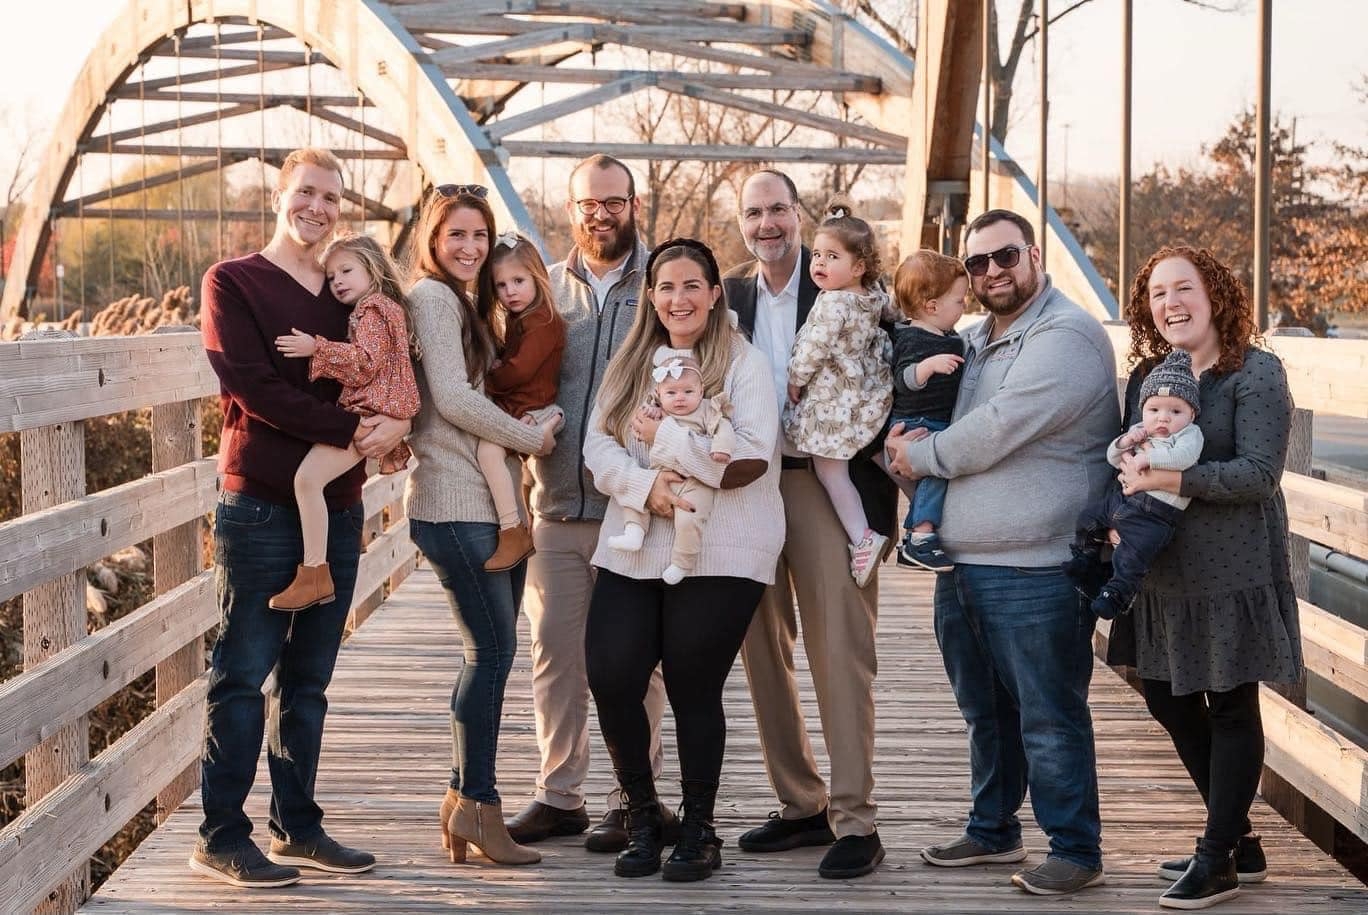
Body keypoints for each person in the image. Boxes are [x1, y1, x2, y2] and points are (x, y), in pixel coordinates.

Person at [192, 147, 409, 888]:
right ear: (281, 195)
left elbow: (389, 367)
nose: (317, 206)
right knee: (243, 671)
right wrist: (357, 433)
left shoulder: (351, 292)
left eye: (331, 197)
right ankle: (221, 832)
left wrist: (396, 427)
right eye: (306, 191)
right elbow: (252, 388)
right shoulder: (233, 281)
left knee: (310, 678)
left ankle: (298, 824)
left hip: (337, 507)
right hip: (258, 502)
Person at [887, 208, 1118, 895]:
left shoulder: (1066, 336)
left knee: (1048, 712)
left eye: (1005, 256)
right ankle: (993, 828)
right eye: (978, 263)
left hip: (1038, 566)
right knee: (985, 711)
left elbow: (994, 429)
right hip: (963, 562)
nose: (991, 272)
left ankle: (1075, 848)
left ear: (1034, 254)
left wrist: (919, 455)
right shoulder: (977, 337)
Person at [1104, 245, 1301, 910]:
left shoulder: (1256, 374)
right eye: (1158, 294)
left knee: (1233, 705)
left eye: (1182, 288)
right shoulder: (1147, 376)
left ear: (1214, 294)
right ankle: (1239, 840)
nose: (1170, 304)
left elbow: (1258, 473)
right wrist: (1120, 507)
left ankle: (1216, 857)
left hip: (1232, 570)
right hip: (1161, 572)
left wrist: (1173, 478)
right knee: (1163, 696)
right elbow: (1131, 451)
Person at [583, 238, 783, 882]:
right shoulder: (632, 360)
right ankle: (644, 817)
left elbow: (748, 459)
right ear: (651, 295)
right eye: (666, 287)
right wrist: (648, 488)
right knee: (612, 673)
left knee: (695, 680)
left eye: (692, 285)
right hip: (637, 536)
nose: (679, 299)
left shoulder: (743, 364)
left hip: (724, 542)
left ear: (715, 292)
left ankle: (700, 829)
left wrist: (667, 441)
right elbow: (600, 442)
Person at [725, 168, 896, 880]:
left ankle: (856, 817)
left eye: (778, 209)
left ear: (797, 215)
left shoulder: (844, 288)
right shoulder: (725, 292)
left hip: (823, 481)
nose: (768, 223)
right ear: (741, 221)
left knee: (839, 647)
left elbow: (900, 352)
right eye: (753, 212)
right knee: (761, 649)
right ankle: (801, 802)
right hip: (743, 485)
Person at [507, 155, 674, 852]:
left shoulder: (663, 285)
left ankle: (633, 798)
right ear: (569, 208)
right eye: (586, 203)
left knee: (636, 663)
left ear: (634, 203)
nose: (598, 213)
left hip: (633, 509)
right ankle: (559, 794)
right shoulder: (542, 288)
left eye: (612, 201)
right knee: (554, 656)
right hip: (554, 504)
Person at [404, 183, 562, 867]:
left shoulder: (464, 302)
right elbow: (454, 396)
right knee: (493, 655)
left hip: (478, 502)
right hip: (455, 503)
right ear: (432, 241)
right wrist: (528, 439)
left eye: (478, 235)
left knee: (485, 655)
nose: (469, 248)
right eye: (455, 236)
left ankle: (459, 798)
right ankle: (479, 805)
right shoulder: (434, 299)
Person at [269, 233, 420, 612]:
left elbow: (366, 361)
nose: (337, 280)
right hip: (376, 413)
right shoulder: (387, 309)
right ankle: (315, 572)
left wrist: (315, 347)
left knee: (306, 481)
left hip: (367, 414)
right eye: (332, 274)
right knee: (312, 481)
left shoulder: (372, 311)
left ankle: (315, 573)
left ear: (372, 268)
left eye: (347, 270)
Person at [782, 197, 894, 587]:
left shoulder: (834, 304)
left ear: (858, 266)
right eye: (817, 255)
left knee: (832, 472)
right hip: (862, 395)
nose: (819, 264)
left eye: (832, 257)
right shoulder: (872, 297)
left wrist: (795, 378)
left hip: (832, 400)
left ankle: (863, 538)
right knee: (872, 453)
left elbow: (814, 345)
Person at [1064, 349, 1205, 620]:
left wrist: (1147, 458)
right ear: (1144, 409)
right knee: (1088, 518)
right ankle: (1086, 555)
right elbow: (1113, 458)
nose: (1163, 418)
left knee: (1132, 557)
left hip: (1155, 514)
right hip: (1124, 502)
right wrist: (1126, 443)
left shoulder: (1189, 436)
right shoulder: (1141, 430)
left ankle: (1117, 595)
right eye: (1154, 410)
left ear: (1192, 415)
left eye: (1175, 411)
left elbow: (1183, 458)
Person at [605, 347, 735, 585]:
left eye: (688, 391)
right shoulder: (658, 410)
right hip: (659, 473)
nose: (680, 398)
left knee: (690, 520)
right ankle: (634, 531)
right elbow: (637, 427)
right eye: (671, 392)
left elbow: (723, 428)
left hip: (695, 481)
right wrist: (650, 410)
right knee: (635, 494)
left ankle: (682, 562)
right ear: (659, 393)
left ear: (701, 391)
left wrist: (721, 447)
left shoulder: (707, 409)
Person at [479, 230, 567, 572]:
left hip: (535, 407)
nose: (510, 291)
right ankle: (519, 525)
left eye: (518, 280)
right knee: (509, 465)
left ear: (538, 277)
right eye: (500, 285)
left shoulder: (542, 320)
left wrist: (488, 379)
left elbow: (520, 369)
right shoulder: (522, 317)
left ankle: (512, 530)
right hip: (525, 405)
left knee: (489, 450)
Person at [883, 250, 968, 572]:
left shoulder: (948, 335)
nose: (964, 306)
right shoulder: (912, 338)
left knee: (934, 476)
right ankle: (920, 537)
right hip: (916, 421)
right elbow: (903, 379)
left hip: (935, 421)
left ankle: (917, 538)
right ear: (932, 306)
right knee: (935, 472)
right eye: (959, 301)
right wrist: (927, 367)